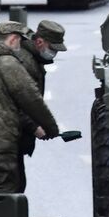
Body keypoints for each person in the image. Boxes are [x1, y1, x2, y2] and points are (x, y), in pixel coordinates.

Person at [0, 22, 60, 194]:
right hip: (2, 138)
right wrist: (45, 128)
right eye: (53, 48)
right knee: (8, 190)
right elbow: (28, 101)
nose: (54, 53)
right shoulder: (15, 62)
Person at [12, 21, 66, 169]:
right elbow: (16, 103)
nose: (54, 53)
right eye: (52, 49)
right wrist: (34, 127)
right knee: (11, 186)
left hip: (13, 137)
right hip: (8, 139)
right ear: (40, 42)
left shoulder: (33, 58)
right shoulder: (25, 62)